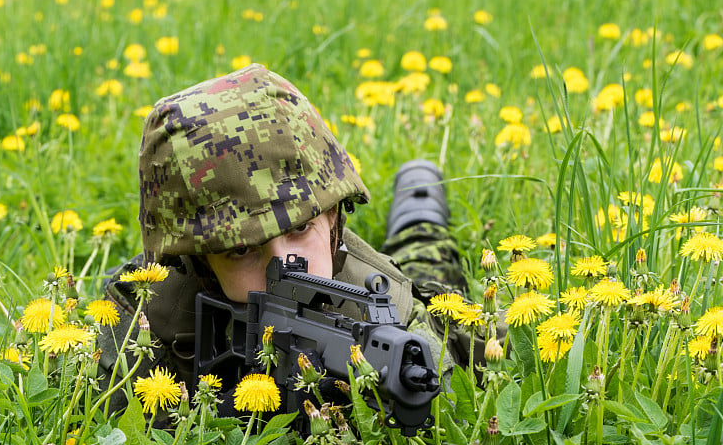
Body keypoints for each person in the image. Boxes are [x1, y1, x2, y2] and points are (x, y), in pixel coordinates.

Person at [98, 63, 488, 416]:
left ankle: (419, 207)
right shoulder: (147, 324)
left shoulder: (397, 328)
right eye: (241, 250)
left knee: (425, 257)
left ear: (333, 214)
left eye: (299, 228)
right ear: (197, 260)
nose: (283, 266)